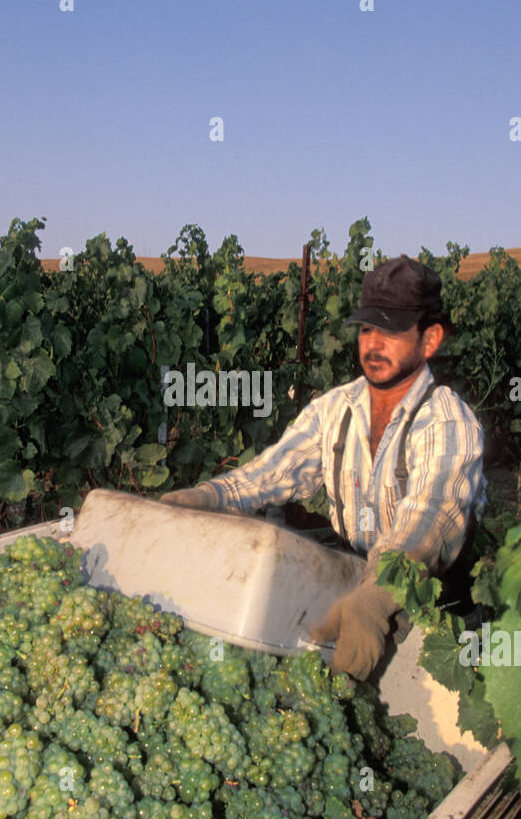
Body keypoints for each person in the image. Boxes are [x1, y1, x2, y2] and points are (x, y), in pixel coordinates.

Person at [160, 255, 486, 680]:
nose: (372, 343)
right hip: (350, 585)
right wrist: (210, 497)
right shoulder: (336, 409)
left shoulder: (447, 421)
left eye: (391, 330)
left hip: (431, 610)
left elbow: (433, 511)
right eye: (367, 329)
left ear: (430, 340)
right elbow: (270, 474)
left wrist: (378, 595)